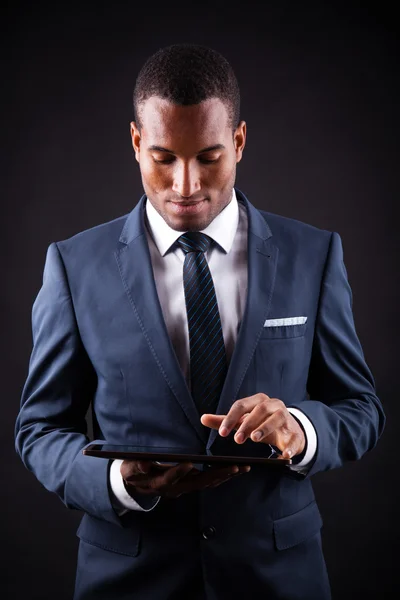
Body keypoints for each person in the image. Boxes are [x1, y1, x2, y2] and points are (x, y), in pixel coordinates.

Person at [15, 43, 385, 600]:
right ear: (137, 143)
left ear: (238, 142)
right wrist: (117, 481)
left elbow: (362, 410)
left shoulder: (314, 254)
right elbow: (38, 430)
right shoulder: (72, 266)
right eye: (163, 158)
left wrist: (301, 430)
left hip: (278, 579)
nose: (185, 185)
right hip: (129, 579)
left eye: (208, 158)